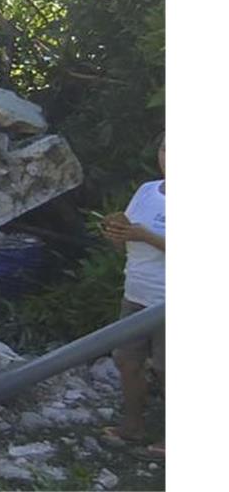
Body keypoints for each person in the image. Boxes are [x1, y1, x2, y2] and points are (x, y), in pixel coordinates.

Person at [101, 134, 165, 459]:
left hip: (169, 301)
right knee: (127, 361)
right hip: (136, 292)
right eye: (166, 149)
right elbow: (128, 240)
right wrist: (118, 231)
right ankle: (132, 427)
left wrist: (146, 236)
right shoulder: (147, 191)